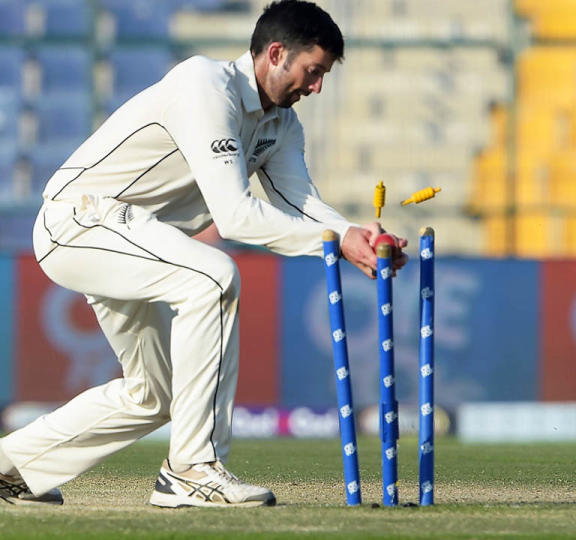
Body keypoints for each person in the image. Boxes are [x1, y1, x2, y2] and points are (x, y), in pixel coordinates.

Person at [0, 0, 407, 507]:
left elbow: (298, 202)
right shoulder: (205, 86)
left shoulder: (281, 124)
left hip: (139, 242)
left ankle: (9, 467)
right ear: (276, 53)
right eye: (312, 71)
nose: (316, 87)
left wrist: (352, 235)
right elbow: (234, 216)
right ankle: (192, 470)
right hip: (80, 222)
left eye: (322, 75)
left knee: (155, 396)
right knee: (212, 278)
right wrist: (337, 242)